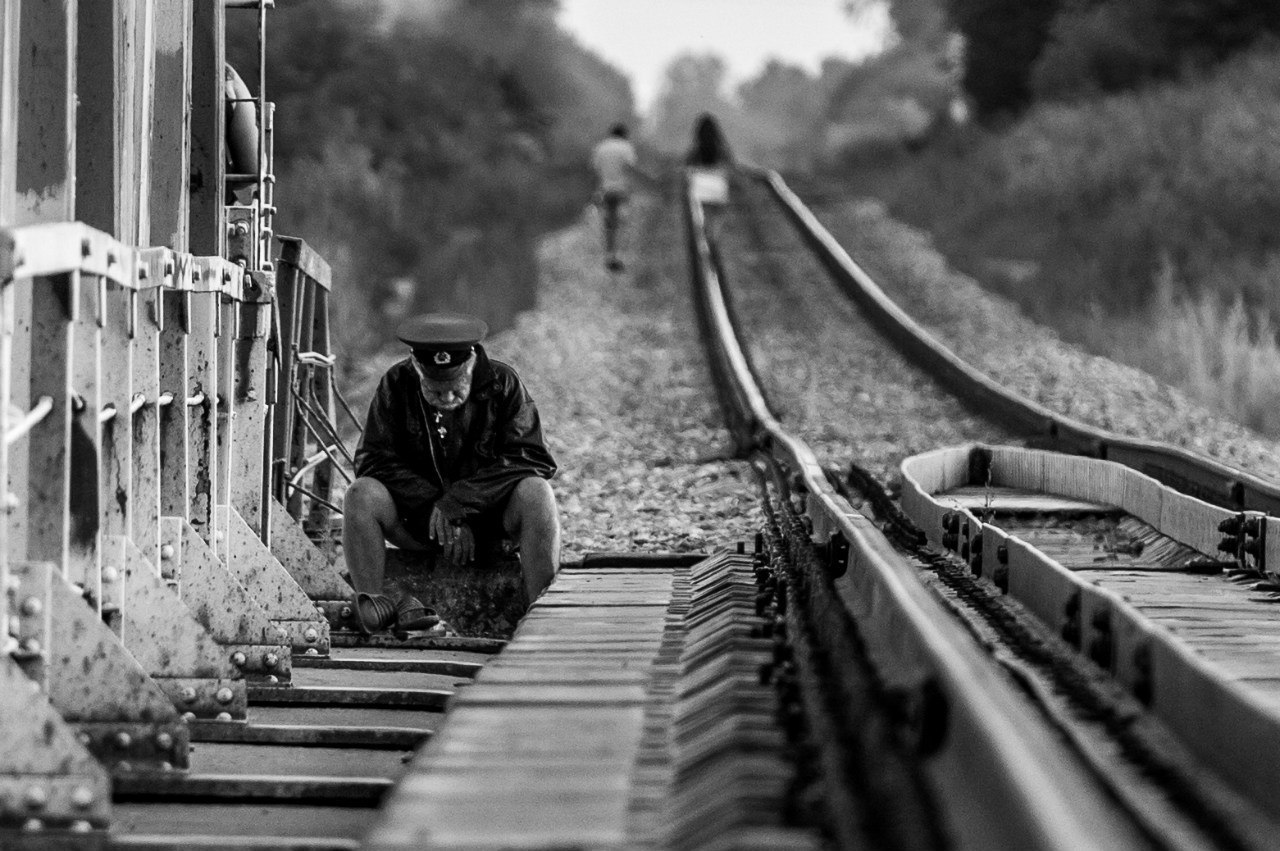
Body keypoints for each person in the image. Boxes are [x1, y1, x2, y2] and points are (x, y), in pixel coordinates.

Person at [342, 313, 561, 635]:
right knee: (360, 494)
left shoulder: (504, 383)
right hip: (418, 522)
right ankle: (374, 611)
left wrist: (460, 503)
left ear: (471, 363)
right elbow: (374, 460)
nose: (446, 398)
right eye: (435, 388)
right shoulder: (396, 383)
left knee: (537, 492)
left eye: (455, 387)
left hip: (492, 523)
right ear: (416, 368)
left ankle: (538, 612)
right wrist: (439, 507)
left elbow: (530, 457)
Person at [590, 123, 638, 272]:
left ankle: (609, 255)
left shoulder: (600, 147)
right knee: (621, 223)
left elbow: (594, 168)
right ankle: (618, 256)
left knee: (609, 224)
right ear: (624, 134)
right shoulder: (626, 147)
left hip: (604, 190)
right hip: (621, 190)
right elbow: (630, 168)